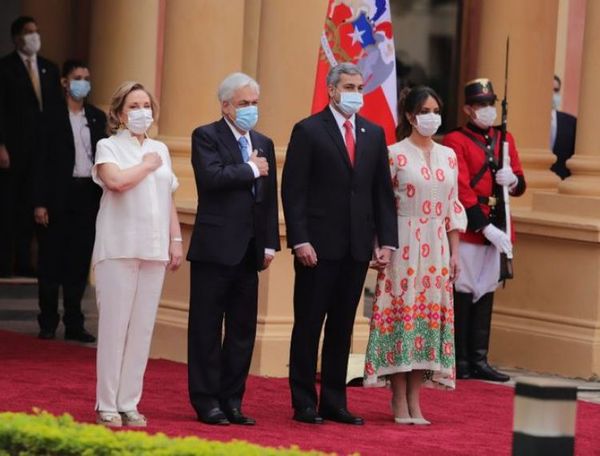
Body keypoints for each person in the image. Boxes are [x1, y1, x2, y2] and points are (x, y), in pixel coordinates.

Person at [282, 62, 398, 425]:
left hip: (357, 247)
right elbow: (294, 191)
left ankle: (334, 400)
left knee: (342, 327)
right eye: (348, 86)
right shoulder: (308, 130)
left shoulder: (373, 133)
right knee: (309, 325)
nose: (355, 93)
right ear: (332, 90)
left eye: (359, 87)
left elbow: (381, 191)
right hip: (316, 247)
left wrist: (386, 241)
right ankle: (303, 401)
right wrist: (299, 239)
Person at [363, 86, 467, 425]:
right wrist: (379, 244)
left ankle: (415, 399)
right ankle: (398, 398)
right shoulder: (393, 154)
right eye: (425, 110)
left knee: (427, 320)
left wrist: (454, 254)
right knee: (401, 317)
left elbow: (453, 207)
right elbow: (380, 205)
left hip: (437, 246)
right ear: (410, 116)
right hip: (402, 244)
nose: (432, 117)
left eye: (436, 110)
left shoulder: (448, 155)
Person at [187, 72, 279, 426]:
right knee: (207, 329)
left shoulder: (263, 141)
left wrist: (270, 241)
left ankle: (232, 400)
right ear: (226, 105)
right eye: (243, 104)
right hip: (215, 248)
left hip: (250, 250)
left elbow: (267, 199)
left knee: (242, 331)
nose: (250, 110)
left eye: (254, 103)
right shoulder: (206, 136)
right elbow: (211, 179)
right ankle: (206, 400)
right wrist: (249, 169)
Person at [92, 81, 182, 427]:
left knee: (142, 329)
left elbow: (167, 196)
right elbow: (115, 182)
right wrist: (146, 165)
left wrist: (175, 241)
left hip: (154, 247)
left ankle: (129, 402)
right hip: (119, 246)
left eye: (146, 105)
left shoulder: (161, 148)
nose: (141, 112)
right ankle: (107, 403)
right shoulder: (108, 146)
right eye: (133, 106)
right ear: (118, 113)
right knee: (116, 328)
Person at [443, 78, 526, 382]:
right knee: (463, 290)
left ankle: (480, 358)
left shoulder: (506, 140)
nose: (486, 110)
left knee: (487, 290)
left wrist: (513, 180)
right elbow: (461, 188)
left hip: (499, 222)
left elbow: (519, 180)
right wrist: (484, 227)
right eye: (480, 105)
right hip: (471, 225)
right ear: (467, 108)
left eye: (490, 104)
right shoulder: (455, 140)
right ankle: (460, 359)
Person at [32, 59, 106, 341]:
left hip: (87, 194)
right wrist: (39, 202)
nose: (83, 82)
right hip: (56, 196)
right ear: (64, 82)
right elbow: (39, 162)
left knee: (78, 261)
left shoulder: (97, 117)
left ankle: (75, 322)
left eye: (86, 77)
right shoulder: (49, 117)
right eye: (77, 77)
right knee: (51, 260)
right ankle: (48, 321)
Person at [0, 16, 62, 277]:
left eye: (36, 31)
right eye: (28, 32)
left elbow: (55, 108)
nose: (34, 36)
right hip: (13, 150)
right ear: (16, 38)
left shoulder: (49, 68)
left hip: (41, 149)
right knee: (7, 207)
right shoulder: (4, 68)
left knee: (32, 205)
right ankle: (4, 263)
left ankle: (26, 263)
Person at [550, 75, 577, 179]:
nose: (552, 94)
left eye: (556, 90)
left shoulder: (571, 123)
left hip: (561, 182)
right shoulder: (526, 120)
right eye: (549, 89)